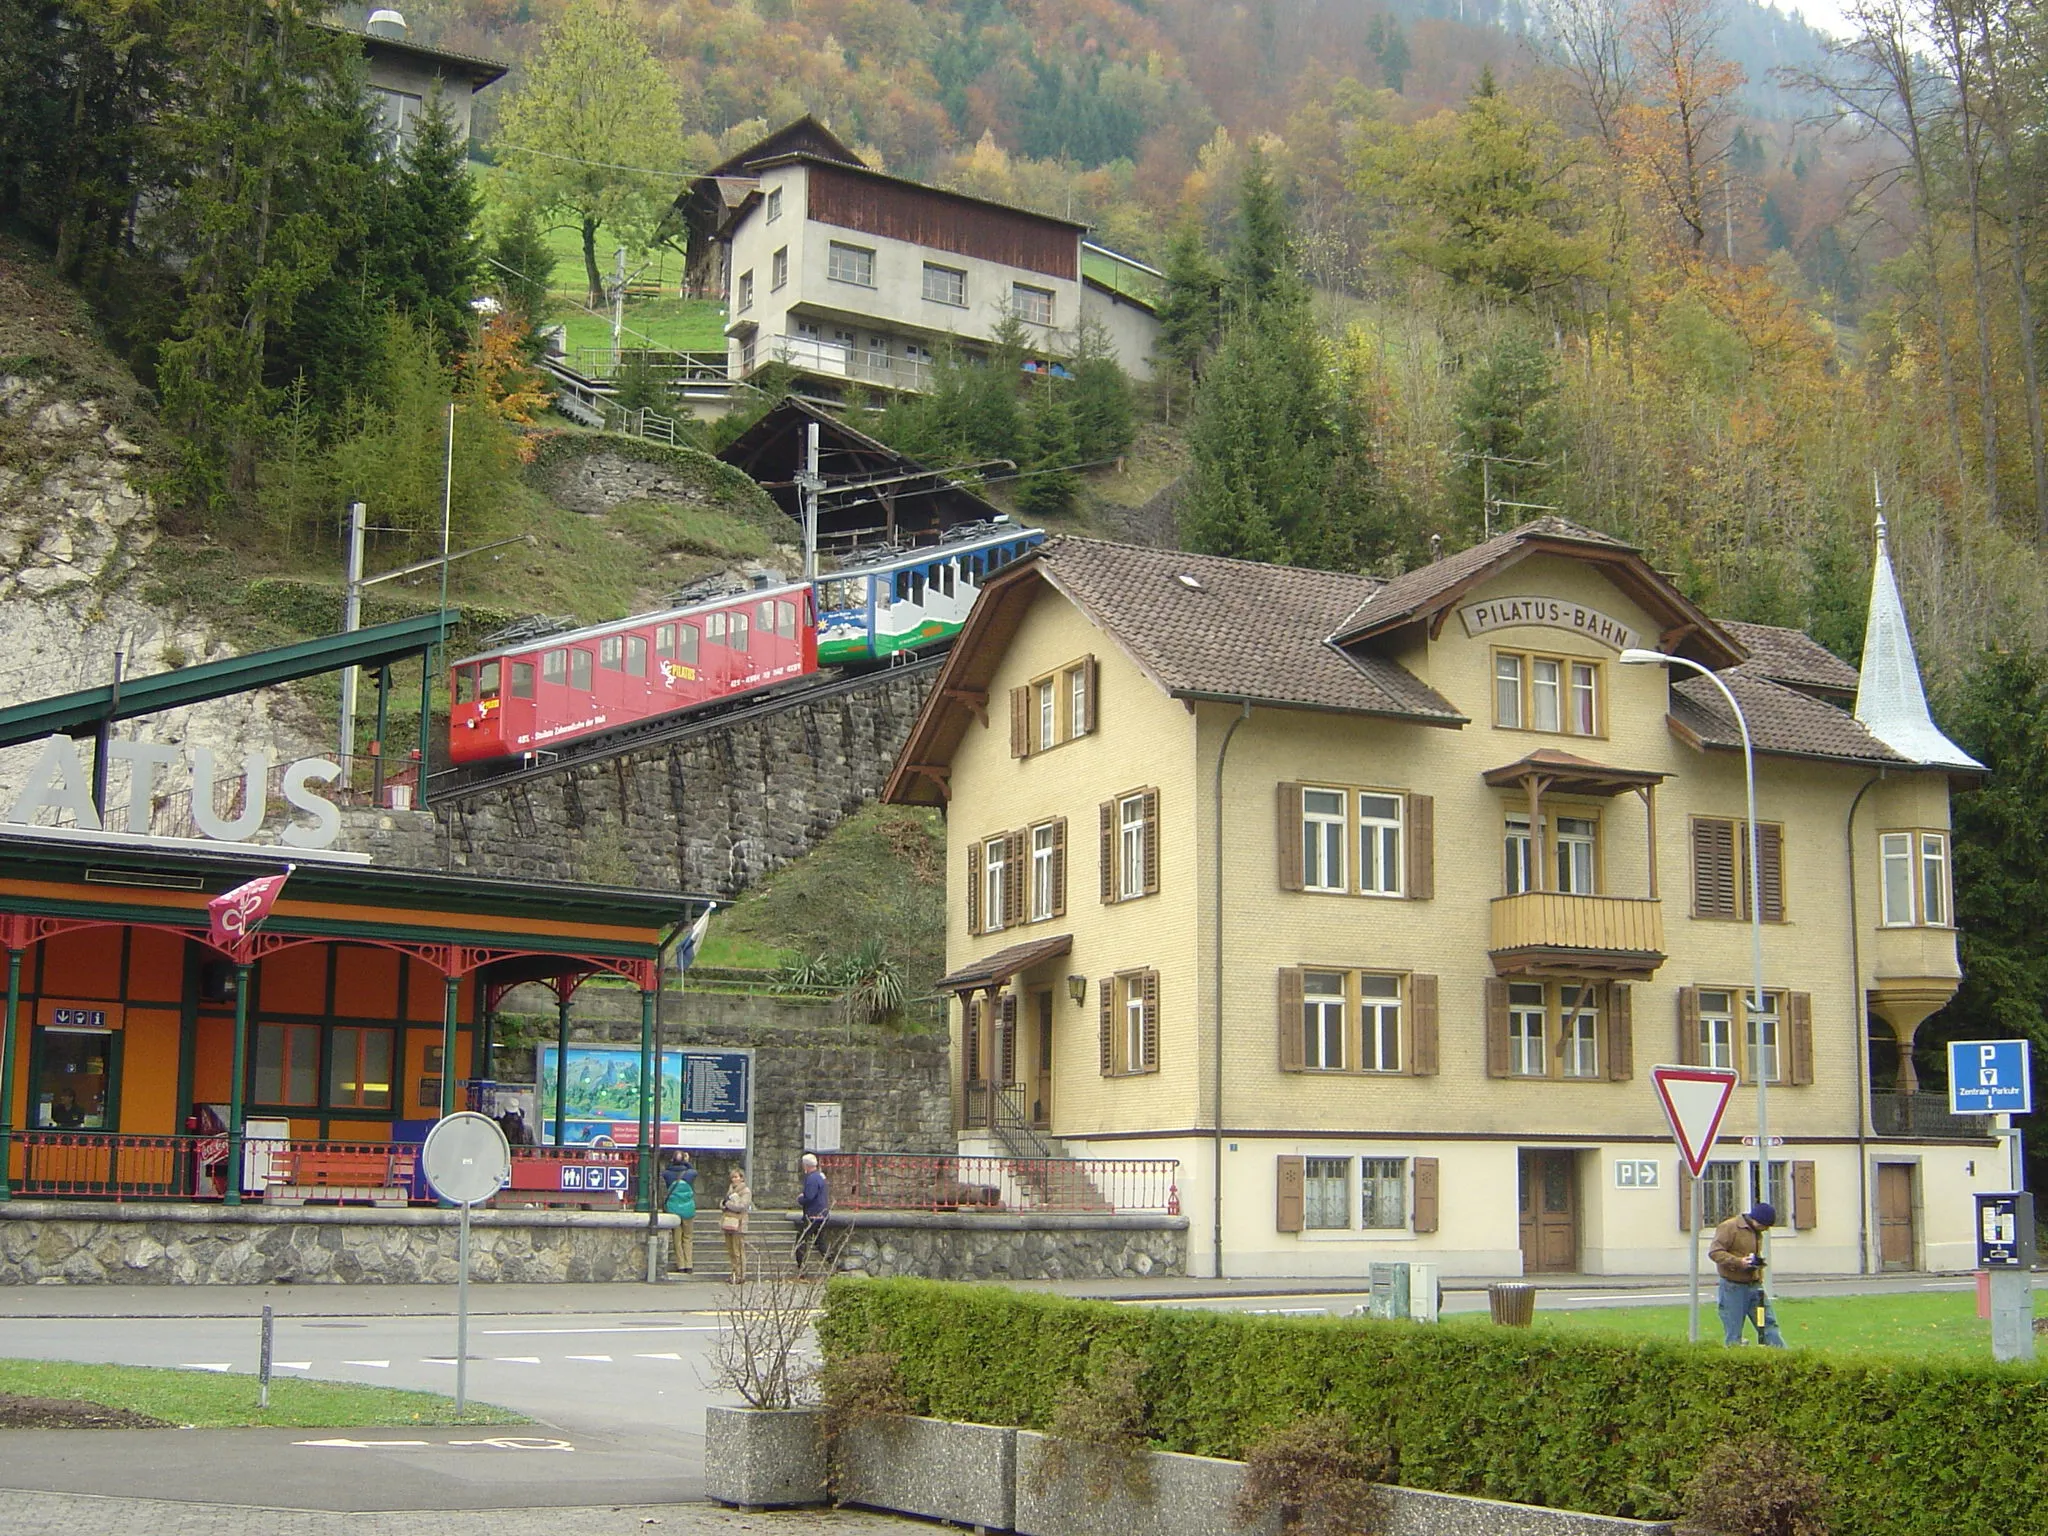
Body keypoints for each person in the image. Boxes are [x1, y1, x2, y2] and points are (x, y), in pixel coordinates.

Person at [1709, 1201, 1785, 1347]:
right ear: (1755, 1220)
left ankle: (1782, 1356)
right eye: (1764, 1226)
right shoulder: (1730, 1227)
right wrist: (1739, 1262)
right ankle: (1735, 1359)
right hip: (1733, 1288)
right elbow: (1715, 1252)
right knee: (1734, 1331)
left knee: (1768, 1324)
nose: (1765, 1230)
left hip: (1755, 1287)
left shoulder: (1756, 1232)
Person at [794, 1152, 831, 1273]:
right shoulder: (821, 1176)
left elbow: (809, 1197)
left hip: (812, 1215)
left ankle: (801, 1268)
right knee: (819, 1241)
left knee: (801, 1240)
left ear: (805, 1165)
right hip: (823, 1213)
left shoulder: (811, 1178)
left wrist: (800, 1198)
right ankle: (833, 1262)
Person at [663, 1151, 697, 1274]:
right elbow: (694, 1171)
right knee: (688, 1238)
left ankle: (681, 1265)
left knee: (677, 1239)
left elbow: (665, 1171)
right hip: (688, 1210)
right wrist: (687, 1163)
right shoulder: (690, 1174)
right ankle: (689, 1265)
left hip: (674, 1210)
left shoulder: (667, 1174)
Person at [720, 1168, 752, 1284]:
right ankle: (734, 1273)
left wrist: (728, 1204)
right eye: (733, 1177)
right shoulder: (730, 1190)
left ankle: (741, 1275)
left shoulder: (745, 1191)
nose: (734, 1179)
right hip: (728, 1221)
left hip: (739, 1223)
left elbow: (741, 1206)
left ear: (742, 1178)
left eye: (736, 1177)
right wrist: (724, 1204)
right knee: (731, 1251)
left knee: (738, 1250)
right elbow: (723, 1203)